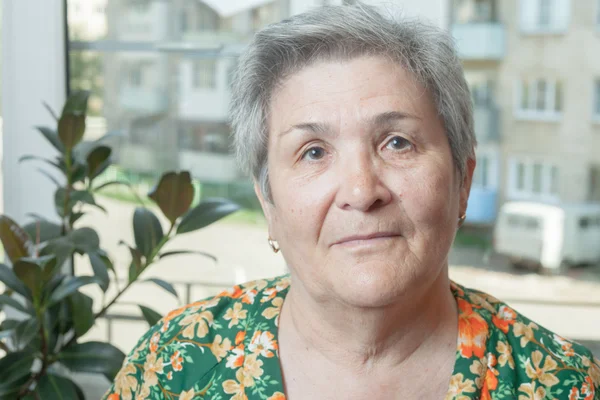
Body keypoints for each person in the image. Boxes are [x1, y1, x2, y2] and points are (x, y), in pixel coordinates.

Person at [103, 3, 600, 399]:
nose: (362, 192)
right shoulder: (173, 365)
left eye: (397, 142)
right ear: (269, 203)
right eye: (313, 151)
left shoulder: (566, 385)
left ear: (462, 181)